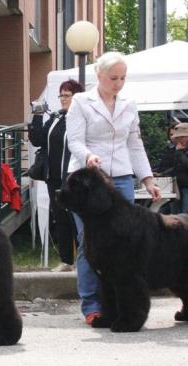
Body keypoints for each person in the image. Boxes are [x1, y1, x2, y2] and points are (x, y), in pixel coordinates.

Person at [66, 51, 161, 325]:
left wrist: (148, 180)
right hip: (87, 181)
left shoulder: (129, 104)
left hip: (120, 179)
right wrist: (89, 157)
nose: (118, 83)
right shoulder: (81, 102)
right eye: (113, 78)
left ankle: (122, 304)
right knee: (89, 243)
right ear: (99, 75)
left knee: (126, 245)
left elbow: (135, 144)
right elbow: (74, 140)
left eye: (122, 78)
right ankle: (92, 305)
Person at [28, 79, 83, 270]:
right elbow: (37, 139)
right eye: (61, 95)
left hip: (75, 179)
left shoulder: (81, 118)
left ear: (77, 97)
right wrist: (37, 115)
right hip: (54, 177)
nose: (62, 99)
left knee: (76, 218)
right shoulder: (56, 118)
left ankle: (83, 261)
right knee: (60, 218)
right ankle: (66, 260)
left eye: (67, 95)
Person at [171, 122, 188, 213]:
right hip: (179, 186)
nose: (179, 140)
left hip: (186, 187)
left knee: (185, 214)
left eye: (181, 137)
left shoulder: (181, 151)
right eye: (178, 138)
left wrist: (180, 153)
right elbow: (176, 167)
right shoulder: (182, 150)